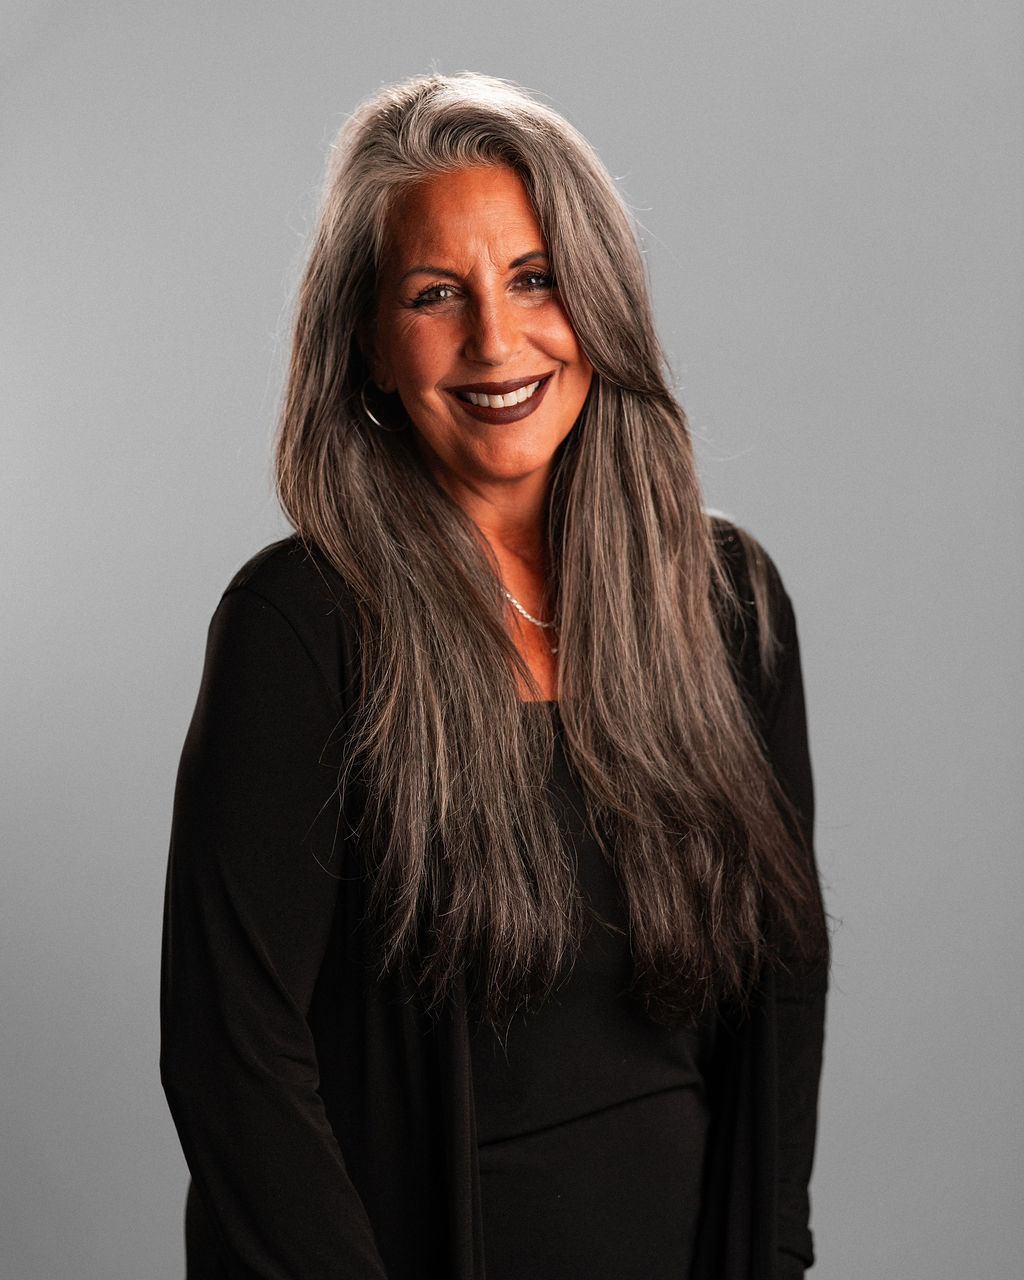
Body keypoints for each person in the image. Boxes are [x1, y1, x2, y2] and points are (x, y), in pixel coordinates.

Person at [161, 72, 828, 1280]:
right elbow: (233, 1056)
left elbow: (780, 987)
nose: (495, 338)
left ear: (600, 301)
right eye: (433, 294)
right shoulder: (302, 627)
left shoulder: (729, 605)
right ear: (365, 344)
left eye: (532, 277)